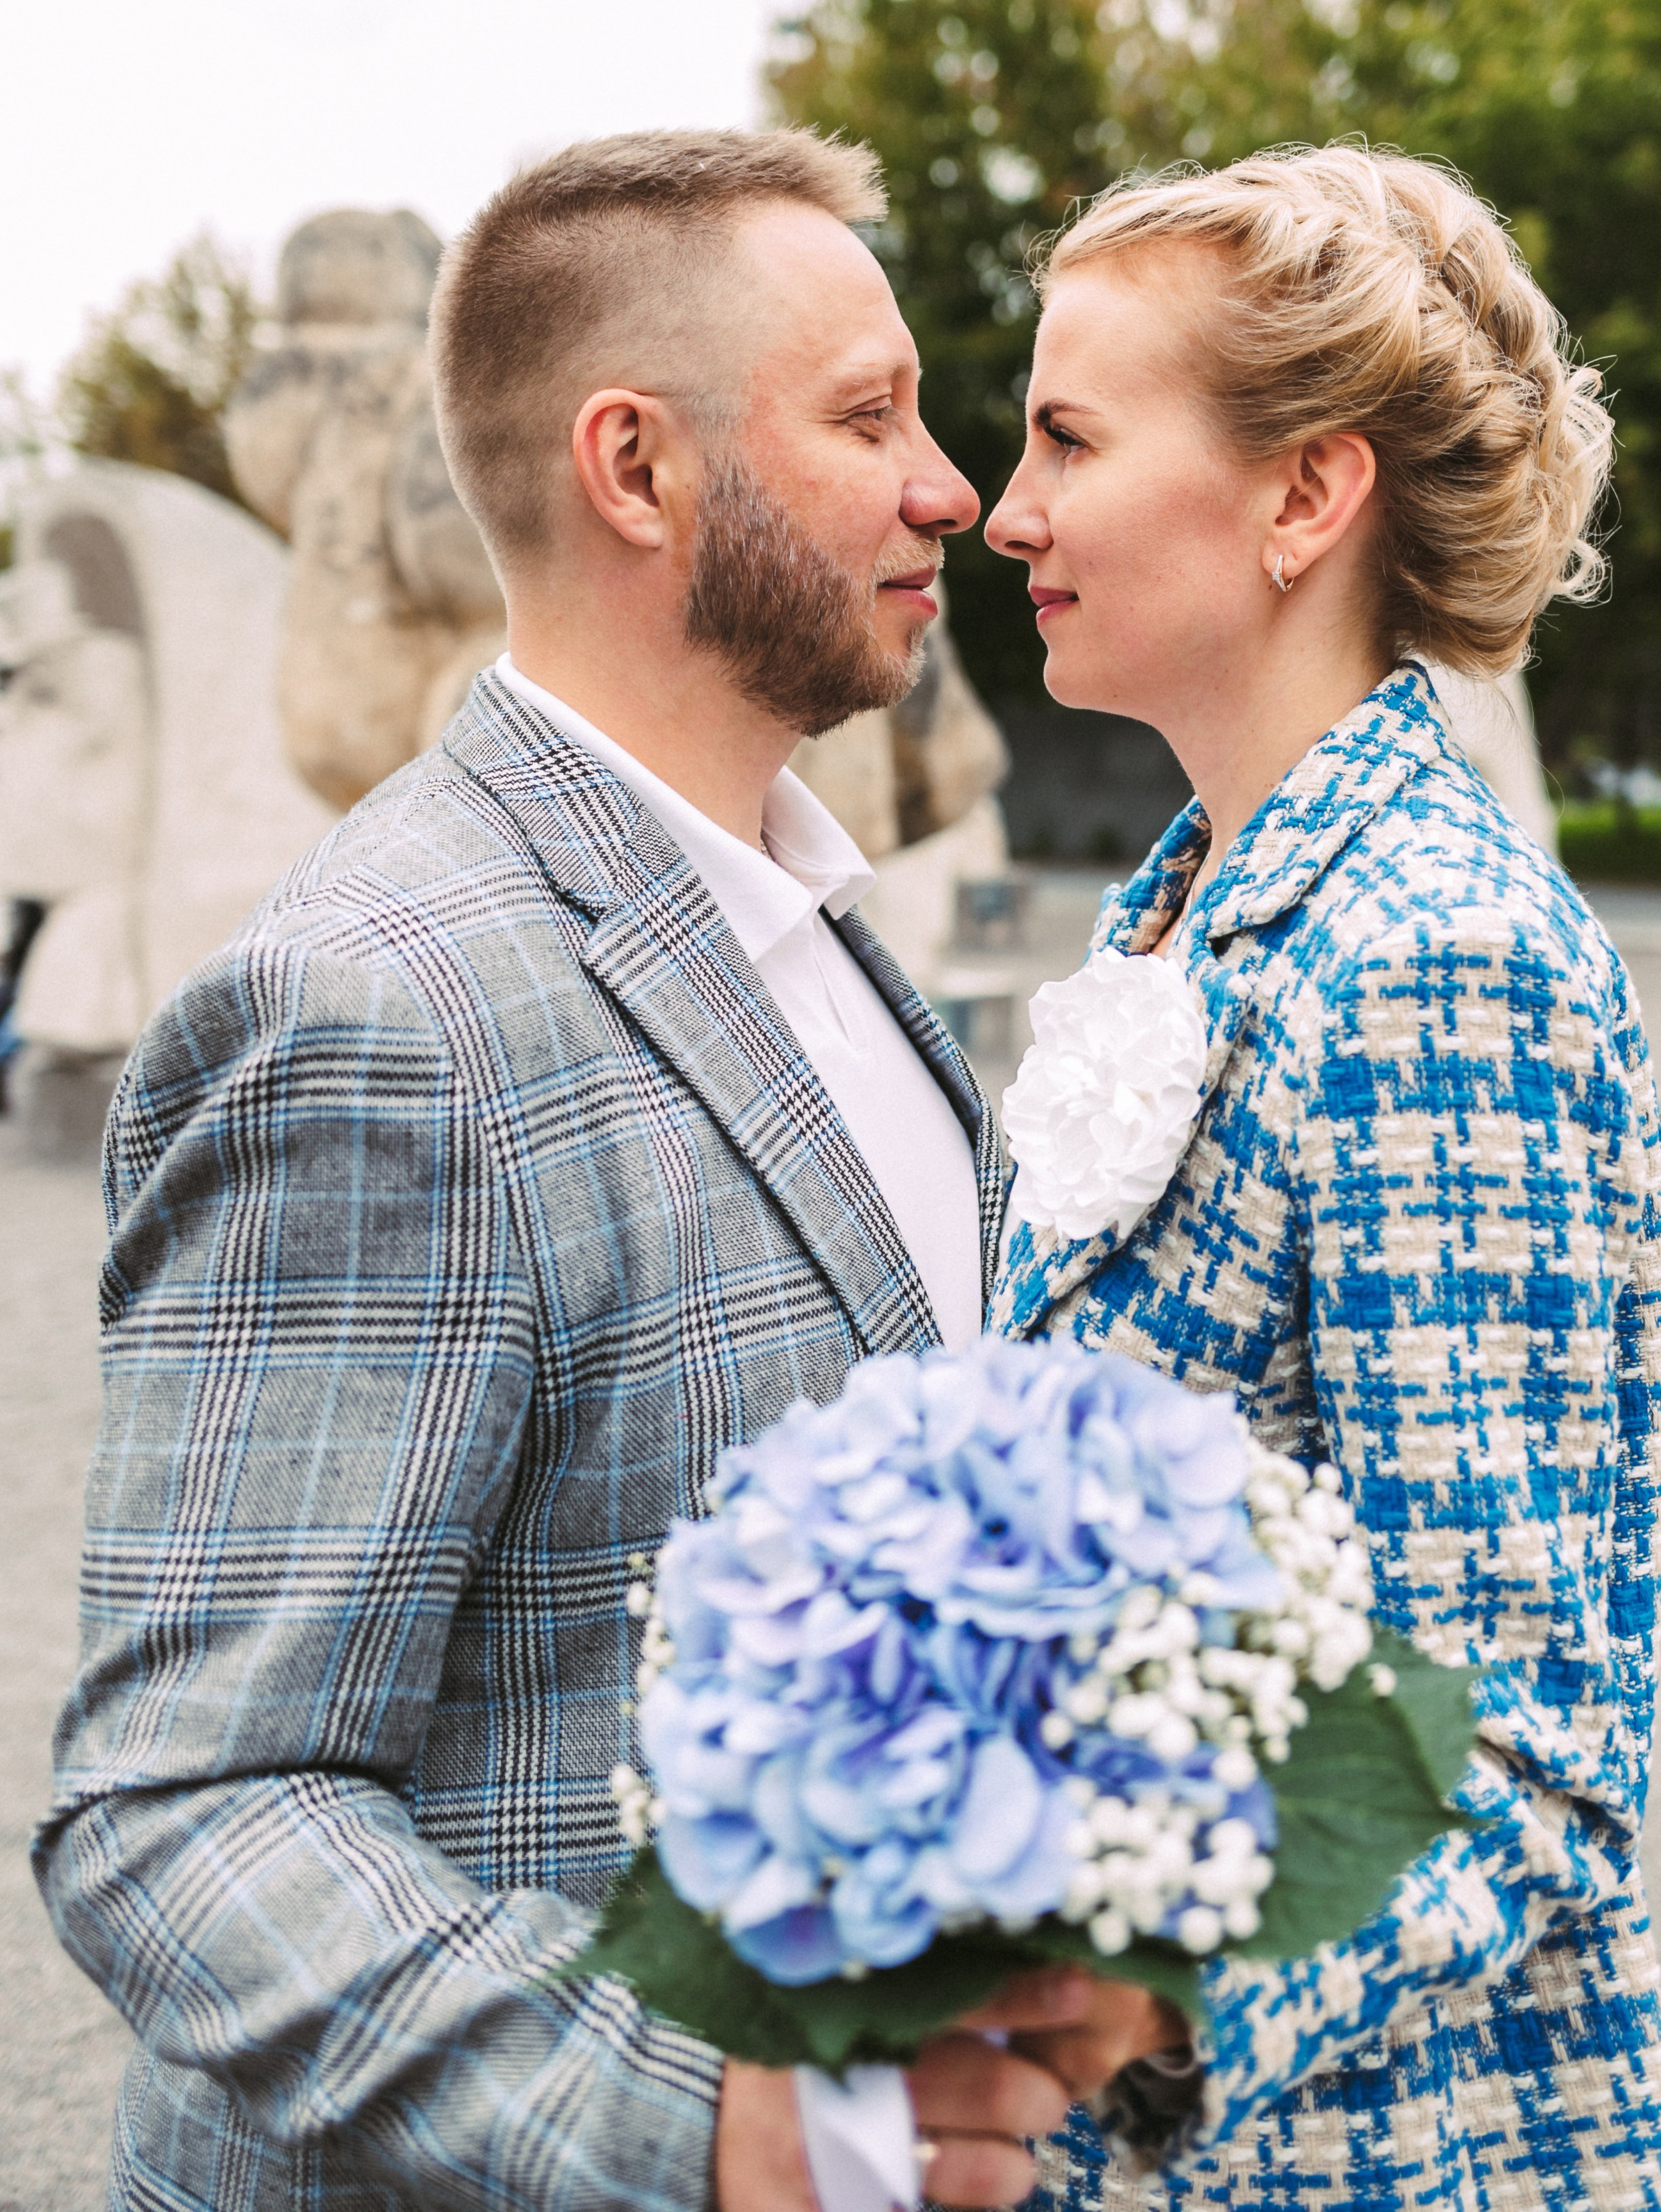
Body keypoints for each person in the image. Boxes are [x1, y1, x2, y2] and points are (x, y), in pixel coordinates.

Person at [36, 130, 1174, 2212]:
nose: (956, 489)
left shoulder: (822, 932)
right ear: (636, 470)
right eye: (871, 416)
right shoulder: (371, 1017)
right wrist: (709, 2126)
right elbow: (182, 1810)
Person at [985, 147, 1661, 2211]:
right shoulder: (1193, 914)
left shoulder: (1437, 961)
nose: (1006, 509)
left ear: (1308, 495)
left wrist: (1123, 2002)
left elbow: (1519, 1750)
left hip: (1376, 2154)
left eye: (1069, 437)